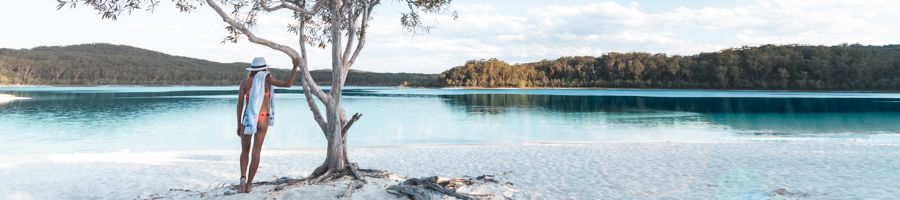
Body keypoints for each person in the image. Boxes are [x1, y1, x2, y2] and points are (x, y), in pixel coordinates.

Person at [236, 57, 298, 193]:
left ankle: (242, 180)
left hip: (248, 118)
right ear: (264, 69)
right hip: (263, 118)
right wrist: (294, 68)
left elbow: (240, 104)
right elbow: (288, 84)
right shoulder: (267, 80)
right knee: (256, 151)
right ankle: (249, 184)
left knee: (245, 151)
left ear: (252, 70)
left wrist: (238, 124)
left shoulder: (245, 83)